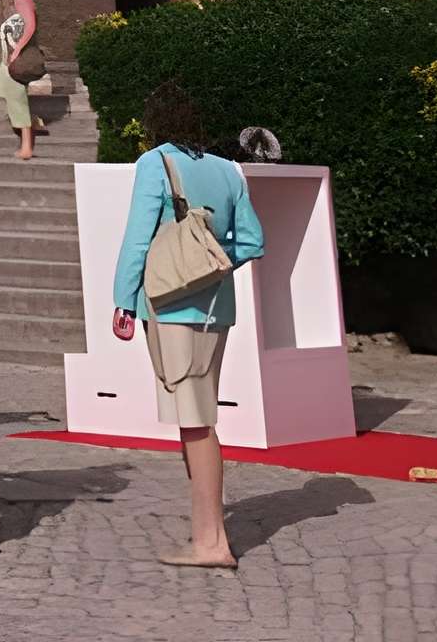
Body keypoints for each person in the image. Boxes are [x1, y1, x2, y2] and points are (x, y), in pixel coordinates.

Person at [110, 78, 267, 571]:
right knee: (193, 419)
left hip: (170, 308)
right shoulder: (227, 171)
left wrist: (123, 301)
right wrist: (211, 266)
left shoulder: (155, 163)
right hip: (216, 308)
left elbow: (138, 239)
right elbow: (252, 241)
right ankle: (207, 532)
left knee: (197, 423)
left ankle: (211, 541)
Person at [0, 0, 40, 160]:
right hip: (11, 59)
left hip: (18, 59)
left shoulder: (23, 2)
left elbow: (31, 26)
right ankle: (30, 120)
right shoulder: (20, 2)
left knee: (16, 99)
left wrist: (18, 49)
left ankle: (26, 145)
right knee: (0, 85)